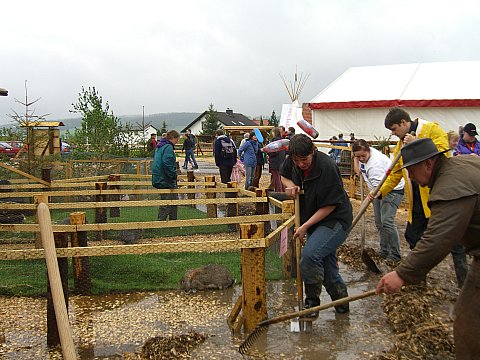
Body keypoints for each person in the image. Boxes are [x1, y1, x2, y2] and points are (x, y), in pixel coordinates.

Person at [375, 137, 480, 360]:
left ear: (428, 164)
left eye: (412, 170)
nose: (410, 176)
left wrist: (402, 274)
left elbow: (437, 240)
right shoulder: (462, 164)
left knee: (468, 322)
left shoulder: (451, 187)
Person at [371, 107, 467, 288]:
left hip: (439, 195)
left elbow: (444, 152)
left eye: (394, 129)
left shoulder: (431, 129)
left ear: (403, 123)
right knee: (413, 235)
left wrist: (418, 142)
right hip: (417, 201)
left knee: (455, 242)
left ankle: (464, 283)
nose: (393, 134)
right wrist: (379, 191)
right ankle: (418, 280)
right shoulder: (401, 145)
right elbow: (394, 174)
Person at [281, 134, 353, 317]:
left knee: (310, 256)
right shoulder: (293, 160)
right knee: (327, 266)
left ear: (313, 152)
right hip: (312, 218)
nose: (301, 164)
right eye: (297, 161)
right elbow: (284, 176)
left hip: (334, 218)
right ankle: (341, 303)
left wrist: (305, 226)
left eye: (304, 160)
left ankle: (311, 302)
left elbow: (330, 205)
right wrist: (290, 186)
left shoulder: (327, 166)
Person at [352, 139, 404, 261]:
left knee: (387, 222)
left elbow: (378, 190)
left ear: (368, 150)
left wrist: (363, 206)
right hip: (376, 190)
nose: (361, 159)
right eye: (358, 157)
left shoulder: (375, 164)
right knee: (379, 223)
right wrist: (356, 158)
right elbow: (358, 172)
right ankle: (384, 250)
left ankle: (395, 255)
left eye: (363, 156)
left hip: (393, 190)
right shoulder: (363, 156)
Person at [152, 130, 180, 221]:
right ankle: (160, 222)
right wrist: (173, 175)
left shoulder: (160, 146)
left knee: (173, 200)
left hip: (159, 177)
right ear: (172, 138)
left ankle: (173, 221)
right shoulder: (168, 147)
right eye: (177, 139)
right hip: (165, 179)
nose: (178, 141)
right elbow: (167, 163)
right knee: (167, 202)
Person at [268, 127, 286, 192]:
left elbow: (273, 152)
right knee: (281, 178)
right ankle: (283, 191)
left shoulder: (274, 142)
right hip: (281, 161)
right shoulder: (282, 141)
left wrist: (268, 152)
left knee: (277, 179)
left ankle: (279, 192)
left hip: (275, 162)